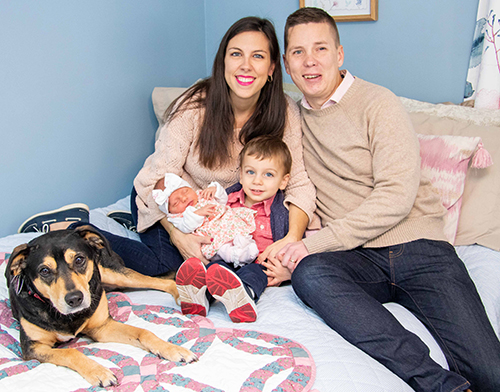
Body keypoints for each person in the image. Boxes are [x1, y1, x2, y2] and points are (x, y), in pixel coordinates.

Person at [277, 7, 499, 392]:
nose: (309, 61)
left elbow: (396, 196)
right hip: (358, 257)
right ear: (286, 64)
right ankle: (439, 383)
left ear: (340, 54)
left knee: (491, 374)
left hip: (420, 251)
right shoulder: (293, 120)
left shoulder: (379, 103)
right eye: (298, 52)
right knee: (310, 274)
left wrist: (313, 244)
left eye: (320, 49)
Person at [18, 17, 315, 285]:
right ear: (223, 62)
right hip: (165, 201)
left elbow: (299, 182)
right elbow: (155, 177)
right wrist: (178, 234)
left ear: (273, 67)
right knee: (165, 265)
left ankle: (133, 227)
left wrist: (290, 240)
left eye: (258, 56)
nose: (246, 65)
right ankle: (75, 228)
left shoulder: (285, 111)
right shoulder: (196, 104)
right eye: (236, 54)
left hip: (215, 217)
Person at [175, 135, 293, 323]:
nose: (257, 181)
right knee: (215, 270)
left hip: (257, 263)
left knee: (254, 274)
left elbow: (296, 246)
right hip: (226, 256)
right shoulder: (228, 199)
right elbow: (205, 221)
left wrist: (288, 271)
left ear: (283, 181)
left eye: (268, 174)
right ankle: (200, 298)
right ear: (241, 175)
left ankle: (243, 295)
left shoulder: (283, 212)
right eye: (250, 172)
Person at [152, 174, 259, 265]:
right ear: (170, 211)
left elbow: (223, 201)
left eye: (185, 191)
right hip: (213, 238)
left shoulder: (201, 195)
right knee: (223, 249)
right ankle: (234, 256)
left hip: (228, 224)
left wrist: (215, 190)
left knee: (241, 234)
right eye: (176, 202)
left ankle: (247, 248)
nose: (184, 199)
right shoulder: (177, 217)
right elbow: (186, 227)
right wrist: (197, 214)